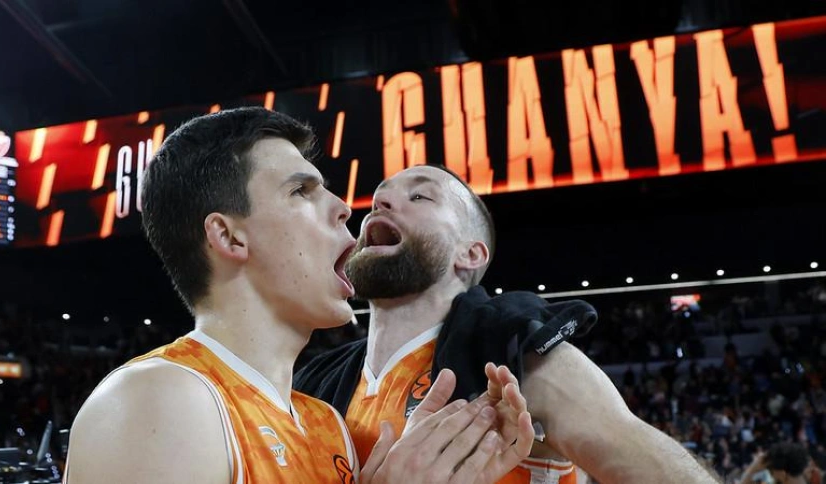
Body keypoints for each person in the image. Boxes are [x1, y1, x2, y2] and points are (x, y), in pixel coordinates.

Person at [63, 108, 533, 484]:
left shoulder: (328, 425)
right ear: (230, 238)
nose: (345, 207)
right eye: (302, 190)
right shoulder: (159, 398)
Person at [295, 164, 721, 483]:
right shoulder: (315, 380)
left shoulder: (514, 355)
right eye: (380, 197)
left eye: (420, 197)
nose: (380, 203)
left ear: (471, 254)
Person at [740, 443, 813, 484]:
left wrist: (753, 468)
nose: (772, 476)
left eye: (771, 472)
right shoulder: (799, 477)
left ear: (782, 473)